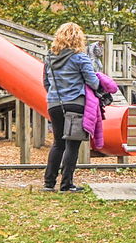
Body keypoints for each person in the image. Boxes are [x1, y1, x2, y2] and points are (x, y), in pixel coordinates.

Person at [42, 22, 97, 193]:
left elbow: (46, 82)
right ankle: (67, 184)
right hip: (75, 103)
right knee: (72, 145)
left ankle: (49, 183)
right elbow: (93, 82)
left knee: (58, 143)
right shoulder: (80, 57)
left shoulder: (49, 58)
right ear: (78, 38)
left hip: (54, 104)